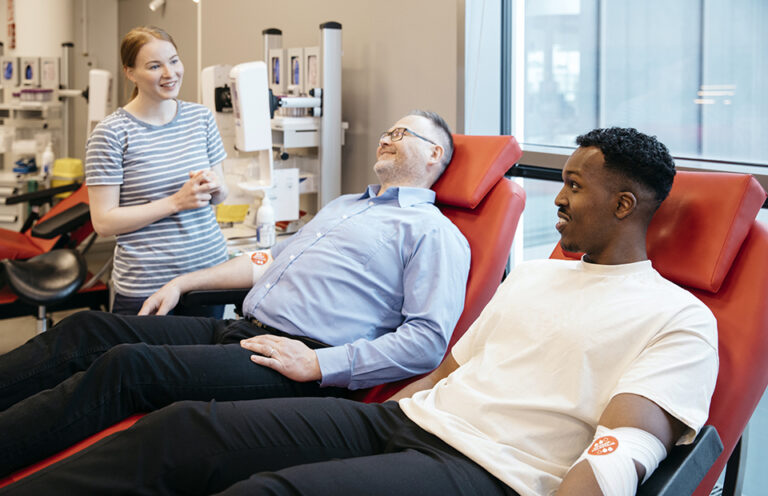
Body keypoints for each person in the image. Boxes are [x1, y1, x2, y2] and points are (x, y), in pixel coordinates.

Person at [0, 128, 718, 496]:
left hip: (491, 470)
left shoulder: (678, 318)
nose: (558, 199)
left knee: (264, 493)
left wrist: (326, 370)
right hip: (407, 422)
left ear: (624, 205)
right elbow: (446, 370)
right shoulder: (534, 277)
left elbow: (624, 451)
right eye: (559, 182)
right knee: (181, 431)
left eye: (575, 186)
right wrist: (367, 422)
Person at [0, 110, 470, 479]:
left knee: (126, 367)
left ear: (434, 154)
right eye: (387, 131)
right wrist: (184, 282)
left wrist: (318, 363)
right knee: (88, 329)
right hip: (241, 329)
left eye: (401, 133)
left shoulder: (433, 232)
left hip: (293, 359)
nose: (386, 137)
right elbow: (268, 259)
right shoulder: (346, 206)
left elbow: (426, 341)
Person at [86, 26, 229, 316]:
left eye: (174, 61)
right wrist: (176, 202)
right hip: (147, 285)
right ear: (130, 72)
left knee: (207, 348)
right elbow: (103, 222)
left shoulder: (201, 118)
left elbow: (221, 194)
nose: (169, 73)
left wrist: (214, 186)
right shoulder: (112, 133)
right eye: (154, 66)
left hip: (207, 277)